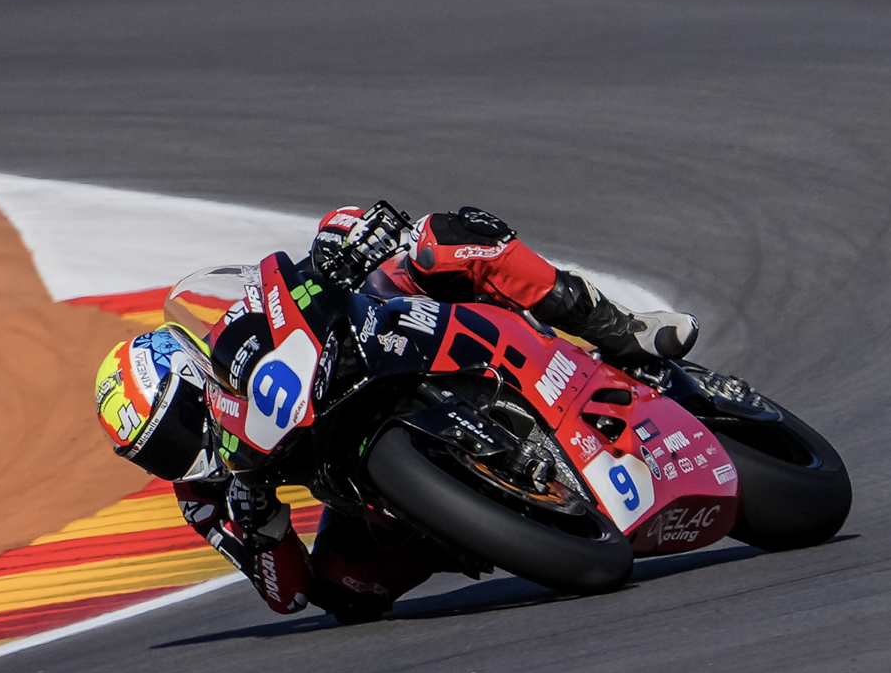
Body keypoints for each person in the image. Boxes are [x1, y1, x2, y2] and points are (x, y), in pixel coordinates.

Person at [89, 202, 697, 622]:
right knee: (345, 592)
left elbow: (309, 266)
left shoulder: (238, 326)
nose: (180, 454)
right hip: (361, 480)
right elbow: (287, 596)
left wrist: (345, 238)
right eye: (157, 454)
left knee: (436, 241)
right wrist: (263, 529)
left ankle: (620, 330)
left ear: (192, 375)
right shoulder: (205, 497)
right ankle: (476, 520)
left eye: (175, 427)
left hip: (385, 340)